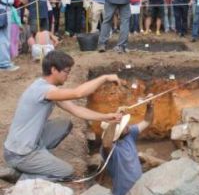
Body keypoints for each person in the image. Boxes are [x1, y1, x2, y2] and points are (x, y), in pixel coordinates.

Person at [4, 50, 122, 181]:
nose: (68, 76)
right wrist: (104, 78)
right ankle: (21, 177)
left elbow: (76, 109)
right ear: (54, 70)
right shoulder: (44, 90)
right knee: (66, 171)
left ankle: (39, 158)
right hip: (19, 154)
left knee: (64, 124)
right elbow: (78, 93)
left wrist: (106, 117)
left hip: (20, 144)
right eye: (66, 71)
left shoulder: (45, 86)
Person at [101, 101, 154, 195]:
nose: (128, 124)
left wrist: (149, 106)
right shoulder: (111, 149)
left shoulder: (129, 134)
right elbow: (106, 144)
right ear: (117, 133)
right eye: (124, 125)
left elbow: (147, 121)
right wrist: (115, 120)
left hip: (139, 189)